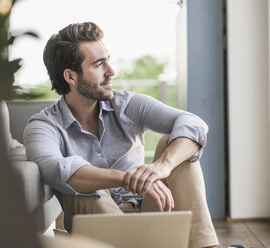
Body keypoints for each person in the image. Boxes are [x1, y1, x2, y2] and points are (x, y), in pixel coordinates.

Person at [24, 22, 218, 248]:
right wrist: (125, 178)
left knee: (173, 145)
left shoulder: (126, 104)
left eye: (108, 59)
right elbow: (56, 170)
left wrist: (163, 166)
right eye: (98, 64)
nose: (111, 71)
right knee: (84, 186)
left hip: (150, 212)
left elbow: (194, 123)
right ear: (71, 76)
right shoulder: (42, 126)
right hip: (98, 229)